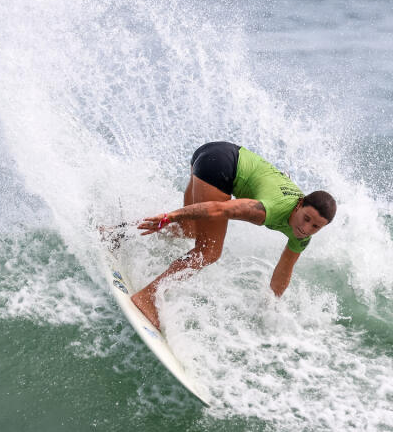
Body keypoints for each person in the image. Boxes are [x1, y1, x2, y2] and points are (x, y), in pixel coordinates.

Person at [131, 141, 336, 329]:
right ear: (299, 204)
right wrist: (170, 216)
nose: (306, 229)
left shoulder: (302, 237)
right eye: (306, 218)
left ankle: (122, 232)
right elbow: (219, 209)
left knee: (190, 228)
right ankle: (149, 295)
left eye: (316, 227)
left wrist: (271, 306)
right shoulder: (267, 210)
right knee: (209, 251)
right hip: (219, 166)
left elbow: (284, 269)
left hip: (213, 153)